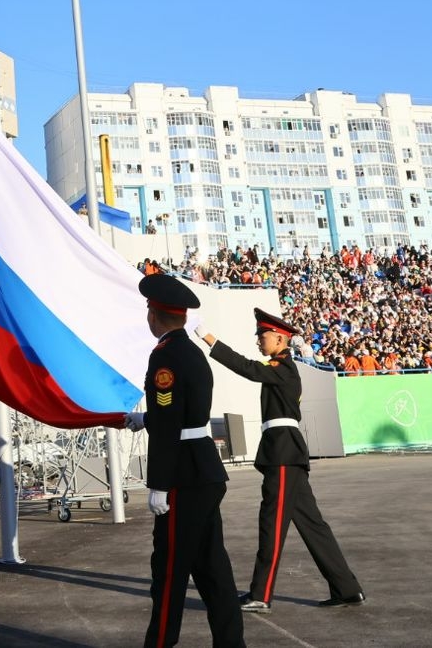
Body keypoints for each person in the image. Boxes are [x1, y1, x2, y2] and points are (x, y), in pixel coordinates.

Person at [198, 306, 365, 612]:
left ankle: (261, 594)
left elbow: (248, 368)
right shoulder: (280, 366)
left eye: (261, 335)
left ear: (279, 338)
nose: (258, 340)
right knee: (314, 526)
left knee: (272, 522)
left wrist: (210, 340)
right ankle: (347, 588)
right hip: (285, 452)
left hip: (283, 453)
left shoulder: (284, 367)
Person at [123, 273, 245, 648]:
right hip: (203, 470)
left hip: (182, 476)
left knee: (169, 573)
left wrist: (158, 483)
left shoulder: (165, 356)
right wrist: (146, 419)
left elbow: (170, 425)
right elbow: (179, 414)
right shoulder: (190, 352)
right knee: (213, 572)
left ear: (154, 316)